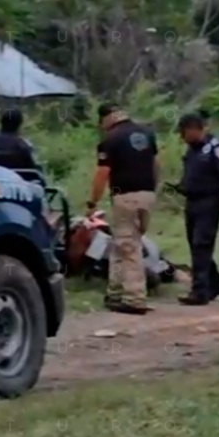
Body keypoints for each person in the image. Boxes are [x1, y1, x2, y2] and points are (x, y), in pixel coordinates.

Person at [88, 103, 160, 315]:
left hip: (124, 196)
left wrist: (92, 202)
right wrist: (152, 189)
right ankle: (115, 292)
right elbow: (156, 164)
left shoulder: (110, 139)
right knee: (122, 244)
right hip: (147, 194)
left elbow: (103, 173)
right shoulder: (147, 133)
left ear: (107, 119)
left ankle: (134, 298)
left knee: (128, 247)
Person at [167, 112, 219, 305]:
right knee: (196, 244)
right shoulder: (192, 150)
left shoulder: (214, 148)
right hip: (192, 202)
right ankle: (214, 285)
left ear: (194, 129)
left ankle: (199, 291)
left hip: (209, 202)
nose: (182, 137)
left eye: (184, 132)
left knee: (201, 244)